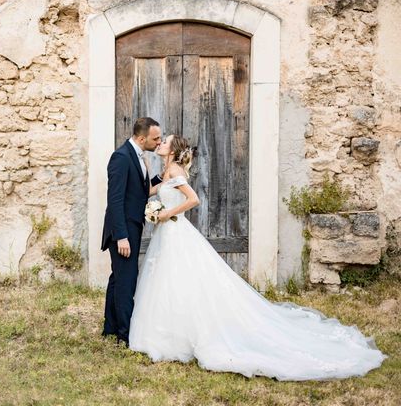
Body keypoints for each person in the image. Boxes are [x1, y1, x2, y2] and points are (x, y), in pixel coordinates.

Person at [128, 134, 387, 381]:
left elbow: (193, 199)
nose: (160, 143)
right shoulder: (165, 172)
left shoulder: (174, 170)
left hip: (175, 229)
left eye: (165, 142)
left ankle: (181, 334)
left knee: (180, 277)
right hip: (168, 233)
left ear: (173, 150)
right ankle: (170, 331)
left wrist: (165, 213)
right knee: (169, 279)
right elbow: (150, 192)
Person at [101, 117, 163, 346]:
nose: (159, 142)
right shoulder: (121, 157)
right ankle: (125, 336)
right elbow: (115, 200)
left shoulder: (138, 156)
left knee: (118, 279)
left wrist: (163, 177)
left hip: (131, 229)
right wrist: (121, 237)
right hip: (123, 231)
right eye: (155, 138)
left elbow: (140, 191)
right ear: (141, 138)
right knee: (127, 281)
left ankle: (111, 328)